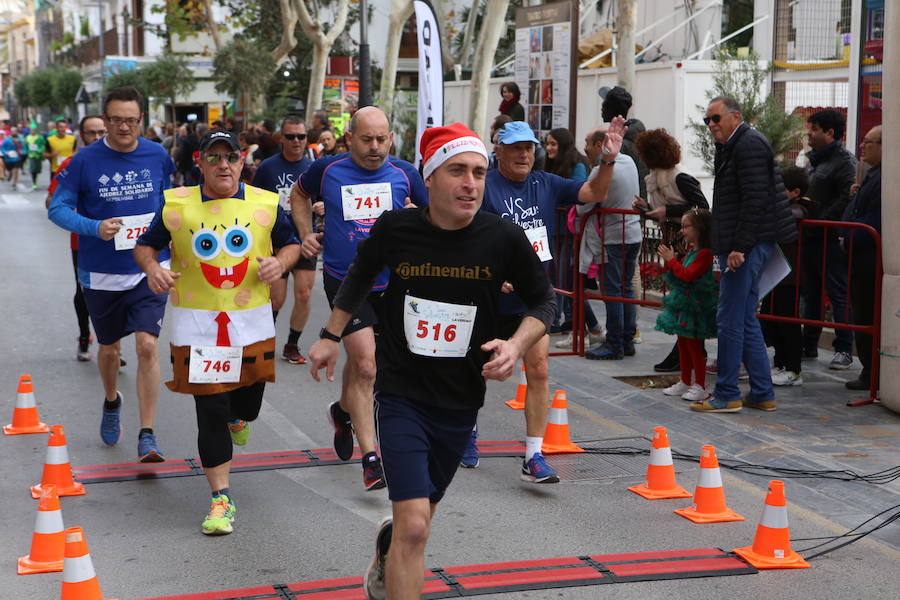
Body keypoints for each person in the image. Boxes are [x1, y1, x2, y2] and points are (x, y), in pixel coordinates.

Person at [308, 123, 556, 600]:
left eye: (479, 172)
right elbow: (358, 275)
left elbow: (545, 303)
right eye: (458, 171)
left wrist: (516, 344)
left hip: (461, 399)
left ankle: (388, 550)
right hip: (401, 393)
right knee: (417, 527)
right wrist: (329, 335)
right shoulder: (397, 228)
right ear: (431, 177)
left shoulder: (501, 238)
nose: (471, 183)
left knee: (418, 519)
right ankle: (398, 546)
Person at [135, 128, 301, 535]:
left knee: (246, 407)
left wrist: (281, 263)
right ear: (200, 161)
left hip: (252, 324)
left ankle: (239, 418)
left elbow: (291, 243)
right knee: (210, 410)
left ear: (243, 161)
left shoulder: (264, 203)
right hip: (197, 328)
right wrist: (154, 268)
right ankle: (220, 498)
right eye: (214, 157)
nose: (223, 165)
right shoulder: (177, 205)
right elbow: (145, 246)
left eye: (231, 157)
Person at [474, 118, 626, 477]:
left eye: (529, 148)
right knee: (476, 371)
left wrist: (607, 160)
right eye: (515, 148)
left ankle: (533, 454)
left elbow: (594, 194)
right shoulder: (484, 186)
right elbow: (467, 235)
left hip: (533, 297)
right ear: (499, 151)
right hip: (490, 296)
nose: (524, 154)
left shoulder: (546, 183)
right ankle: (467, 430)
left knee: (539, 370)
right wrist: (492, 275)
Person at [289, 106, 427, 490]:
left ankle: (342, 411)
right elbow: (298, 196)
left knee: (365, 364)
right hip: (345, 281)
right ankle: (371, 458)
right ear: (350, 138)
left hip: (394, 283)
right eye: (367, 139)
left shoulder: (406, 174)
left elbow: (435, 217)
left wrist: (419, 221)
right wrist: (305, 234)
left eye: (382, 139)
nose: (375, 147)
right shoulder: (328, 170)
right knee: (366, 366)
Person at [48, 86, 175, 460]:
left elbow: (168, 203)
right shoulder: (84, 161)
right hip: (102, 273)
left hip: (148, 267)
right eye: (116, 120)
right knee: (109, 349)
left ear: (141, 121)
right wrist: (94, 227)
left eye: (131, 120)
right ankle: (110, 400)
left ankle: (147, 433)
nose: (124, 127)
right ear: (104, 120)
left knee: (148, 346)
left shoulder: (157, 155)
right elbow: (58, 209)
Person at [693, 96, 796, 413]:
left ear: (735, 116)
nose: (711, 125)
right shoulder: (735, 143)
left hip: (746, 244)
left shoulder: (748, 144)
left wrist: (740, 247)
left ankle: (726, 394)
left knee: (730, 319)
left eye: (716, 118)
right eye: (707, 120)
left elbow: (754, 200)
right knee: (745, 317)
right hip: (746, 242)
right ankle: (763, 392)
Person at [632, 128, 709, 373]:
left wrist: (668, 212)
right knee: (681, 300)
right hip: (675, 244)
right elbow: (665, 210)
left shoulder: (680, 177)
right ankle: (685, 353)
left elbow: (702, 207)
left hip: (689, 246)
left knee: (685, 300)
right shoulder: (657, 178)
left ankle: (686, 354)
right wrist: (646, 208)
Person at [44, 115, 110, 362]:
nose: (96, 138)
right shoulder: (74, 164)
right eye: (91, 133)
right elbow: (51, 202)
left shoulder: (122, 164)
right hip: (83, 241)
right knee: (84, 291)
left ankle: (111, 345)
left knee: (116, 292)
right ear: (81, 136)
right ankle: (84, 336)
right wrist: (73, 214)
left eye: (101, 132)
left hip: (119, 240)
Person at [251, 117, 314, 363]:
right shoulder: (268, 167)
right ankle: (264, 340)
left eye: (301, 136)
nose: (296, 141)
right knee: (276, 297)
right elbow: (253, 200)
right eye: (290, 136)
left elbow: (323, 198)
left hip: (305, 238)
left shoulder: (312, 167)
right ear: (281, 138)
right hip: (277, 241)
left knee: (305, 294)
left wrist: (320, 206)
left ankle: (292, 345)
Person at [800, 109, 857, 369]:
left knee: (837, 293)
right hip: (811, 237)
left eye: (813, 129)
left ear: (830, 133)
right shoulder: (815, 161)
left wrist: (822, 219)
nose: (808, 134)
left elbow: (847, 197)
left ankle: (844, 348)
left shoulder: (844, 162)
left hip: (830, 238)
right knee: (811, 293)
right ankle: (808, 343)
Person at [580, 125, 642, 360]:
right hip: (633, 233)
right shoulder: (629, 161)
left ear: (600, 145)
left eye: (587, 142)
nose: (584, 148)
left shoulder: (600, 170)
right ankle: (626, 340)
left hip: (614, 236)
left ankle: (614, 343)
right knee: (624, 288)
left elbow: (583, 204)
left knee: (613, 290)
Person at [761, 166, 815, 387]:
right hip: (776, 275)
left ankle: (793, 369)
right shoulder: (783, 208)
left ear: (795, 192)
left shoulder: (802, 208)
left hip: (790, 277)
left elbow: (793, 216)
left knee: (788, 322)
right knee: (771, 320)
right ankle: (781, 362)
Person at [656, 208, 717, 402]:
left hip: (696, 306)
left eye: (686, 226)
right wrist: (672, 261)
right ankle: (685, 379)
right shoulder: (692, 251)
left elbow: (688, 276)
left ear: (700, 228)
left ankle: (700, 384)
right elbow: (679, 275)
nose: (682, 231)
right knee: (683, 343)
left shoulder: (705, 254)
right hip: (686, 303)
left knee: (694, 345)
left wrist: (672, 261)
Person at [841, 125, 882, 391]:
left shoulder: (884, 179)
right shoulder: (871, 175)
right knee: (862, 313)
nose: (862, 147)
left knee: (868, 314)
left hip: (870, 259)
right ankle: (869, 369)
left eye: (868, 142)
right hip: (859, 257)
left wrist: (851, 236)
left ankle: (872, 372)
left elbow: (875, 219)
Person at [600, 86, 649, 198]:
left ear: (610, 109)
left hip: (621, 206)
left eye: (604, 105)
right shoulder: (638, 138)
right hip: (635, 205)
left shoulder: (617, 144)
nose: (602, 109)